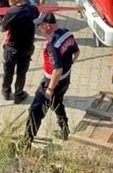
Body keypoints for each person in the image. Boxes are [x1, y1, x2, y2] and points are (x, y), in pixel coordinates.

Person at [25, 12, 79, 144]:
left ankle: (26, 143)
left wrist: (50, 89)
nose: (39, 29)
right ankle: (65, 130)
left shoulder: (52, 45)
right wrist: (70, 63)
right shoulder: (67, 33)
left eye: (41, 25)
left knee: (35, 112)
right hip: (65, 80)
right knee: (57, 103)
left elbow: (57, 69)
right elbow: (76, 52)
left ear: (48, 26)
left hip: (52, 82)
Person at [0, 0, 38, 103]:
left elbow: (3, 28)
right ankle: (18, 94)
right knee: (21, 72)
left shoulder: (11, 12)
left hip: (12, 48)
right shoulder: (33, 9)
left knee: (8, 71)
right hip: (27, 47)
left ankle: (6, 92)